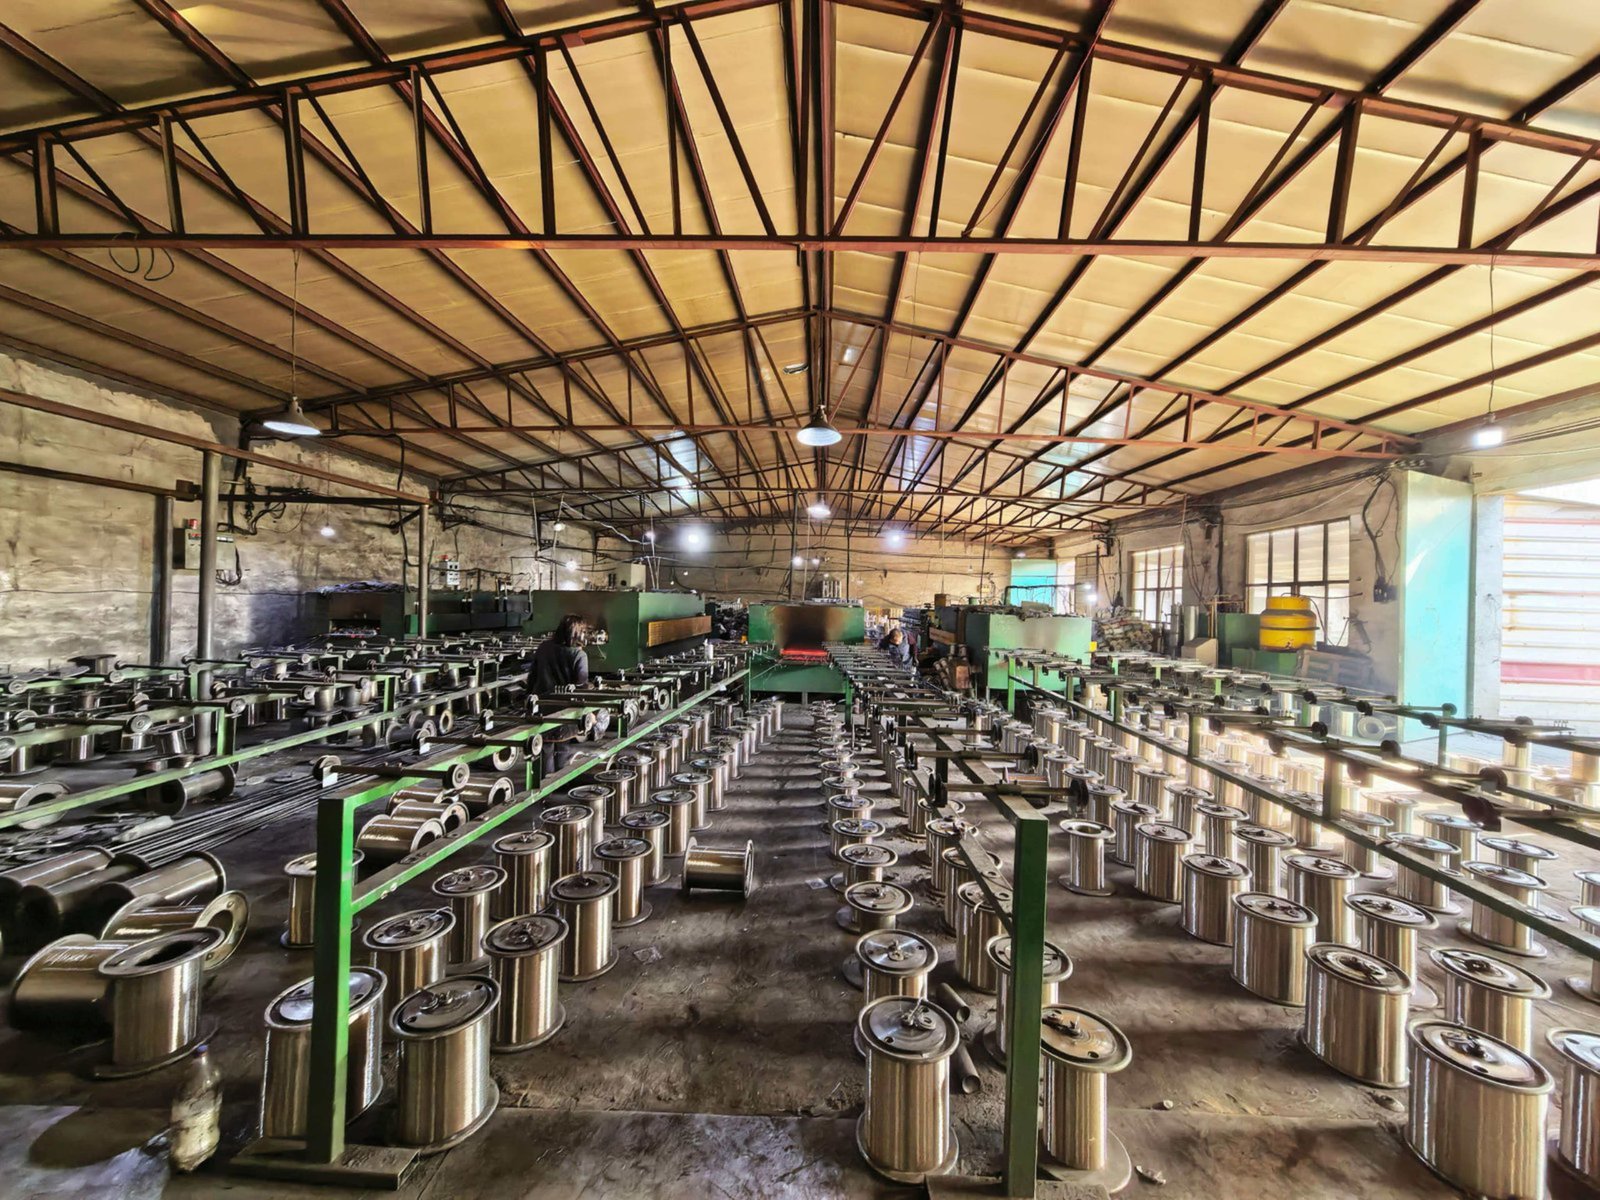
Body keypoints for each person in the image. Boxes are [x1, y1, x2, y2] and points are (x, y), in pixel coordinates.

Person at [529, 614, 591, 775]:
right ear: (577, 633)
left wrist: (528, 700)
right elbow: (582, 684)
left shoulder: (544, 648)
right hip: (565, 710)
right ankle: (559, 785)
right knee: (562, 747)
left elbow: (532, 676)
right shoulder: (578, 655)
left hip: (541, 706)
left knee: (544, 748)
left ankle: (544, 790)